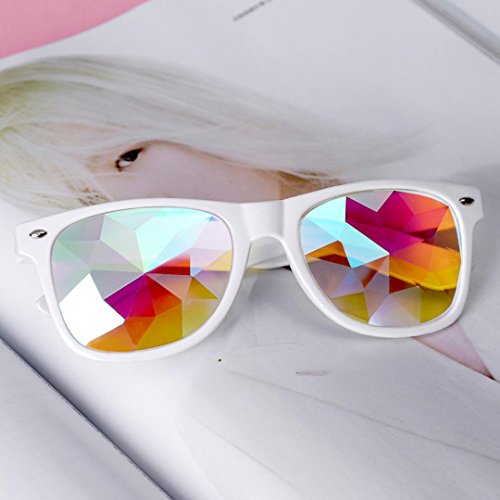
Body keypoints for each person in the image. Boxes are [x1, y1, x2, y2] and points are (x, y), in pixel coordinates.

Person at [0, 55, 405, 211]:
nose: (135, 206)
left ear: (187, 113)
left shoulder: (426, 207)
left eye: (127, 158)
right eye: (89, 200)